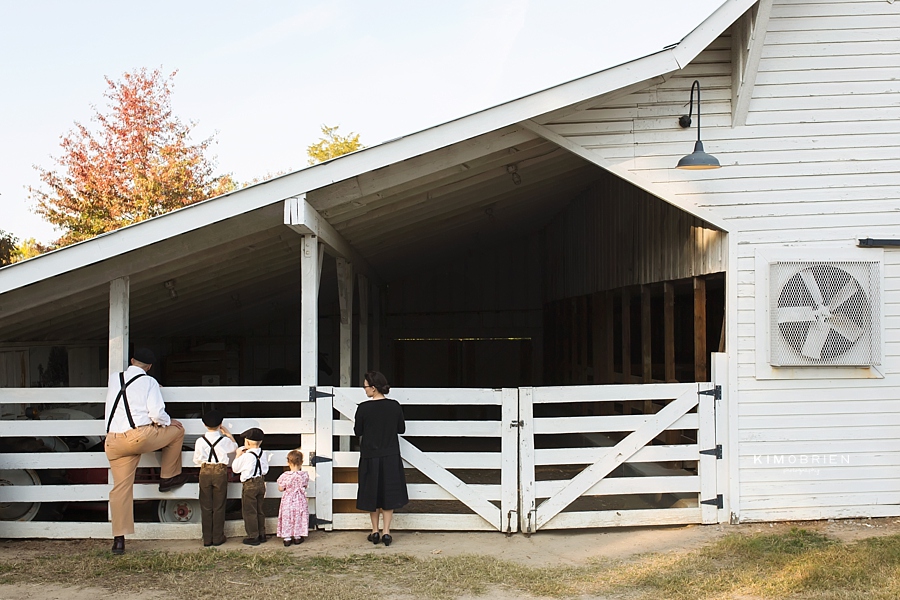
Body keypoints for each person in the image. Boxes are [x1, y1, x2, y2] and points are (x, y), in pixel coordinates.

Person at [104, 347, 188, 556]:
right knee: (177, 432)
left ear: (132, 360)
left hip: (113, 440)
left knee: (121, 489)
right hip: (138, 436)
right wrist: (169, 421)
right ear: (149, 367)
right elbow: (157, 413)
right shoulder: (149, 382)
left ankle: (119, 540)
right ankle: (168, 476)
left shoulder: (115, 378)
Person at [354, 370, 408, 547]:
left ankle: (374, 531)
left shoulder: (363, 408)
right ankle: (387, 532)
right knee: (389, 492)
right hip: (390, 455)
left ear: (374, 388)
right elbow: (401, 429)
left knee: (372, 493)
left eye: (366, 387)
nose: (365, 390)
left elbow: (358, 431)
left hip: (370, 456)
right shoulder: (394, 406)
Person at [193, 409, 238, 547]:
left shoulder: (200, 441)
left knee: (206, 505)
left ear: (204, 425)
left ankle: (207, 538)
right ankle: (218, 537)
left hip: (205, 470)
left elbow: (196, 460)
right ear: (221, 424)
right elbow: (235, 447)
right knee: (219, 505)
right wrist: (229, 435)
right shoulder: (224, 440)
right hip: (220, 471)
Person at [232, 427, 269, 546]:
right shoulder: (263, 454)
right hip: (260, 482)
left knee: (249, 511)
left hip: (249, 484)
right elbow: (265, 470)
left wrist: (238, 455)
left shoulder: (246, 456)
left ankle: (253, 536)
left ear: (247, 442)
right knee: (259, 509)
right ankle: (262, 533)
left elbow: (235, 469)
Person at [276, 449, 310, 546]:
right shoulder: (304, 475)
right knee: (298, 516)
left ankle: (287, 538)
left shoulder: (285, 476)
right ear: (302, 462)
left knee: (287, 517)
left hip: (288, 499)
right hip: (300, 499)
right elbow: (305, 485)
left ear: (288, 462)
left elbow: (281, 488)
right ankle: (297, 537)